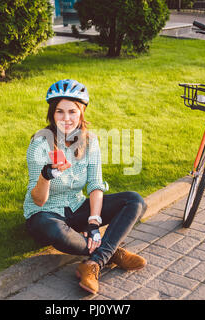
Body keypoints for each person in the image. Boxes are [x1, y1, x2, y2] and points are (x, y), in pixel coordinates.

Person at [23, 79, 148, 294]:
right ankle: (112, 253)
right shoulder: (40, 143)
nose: (66, 118)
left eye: (72, 111)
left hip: (77, 206)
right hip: (45, 213)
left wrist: (93, 222)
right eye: (60, 112)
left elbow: (95, 185)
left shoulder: (90, 141)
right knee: (56, 231)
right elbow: (38, 200)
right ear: (52, 114)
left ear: (81, 112)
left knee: (134, 200)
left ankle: (94, 263)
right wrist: (47, 174)